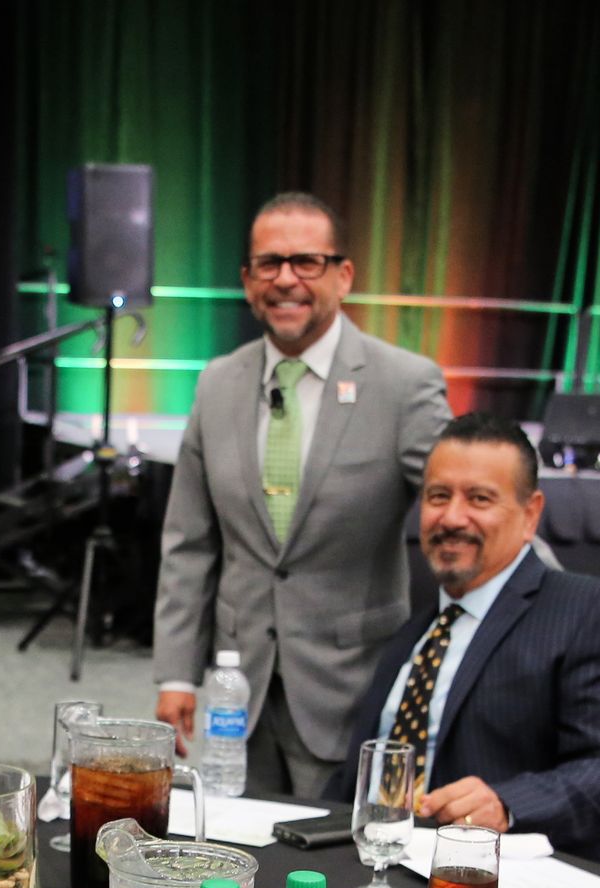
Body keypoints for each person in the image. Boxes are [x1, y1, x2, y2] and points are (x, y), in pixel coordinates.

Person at [154, 192, 453, 795]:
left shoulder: (403, 385)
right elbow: (188, 543)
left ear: (343, 276)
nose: (286, 279)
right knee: (236, 861)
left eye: (306, 262)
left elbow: (466, 504)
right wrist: (176, 676)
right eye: (269, 264)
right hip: (238, 698)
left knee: (336, 870)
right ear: (246, 281)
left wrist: (546, 600)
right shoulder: (217, 383)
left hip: (352, 688)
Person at [327, 415, 600, 869]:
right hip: (375, 872)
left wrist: (506, 804)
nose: (452, 517)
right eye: (438, 496)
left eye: (479, 498)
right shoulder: (415, 631)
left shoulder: (592, 611)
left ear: (531, 514)